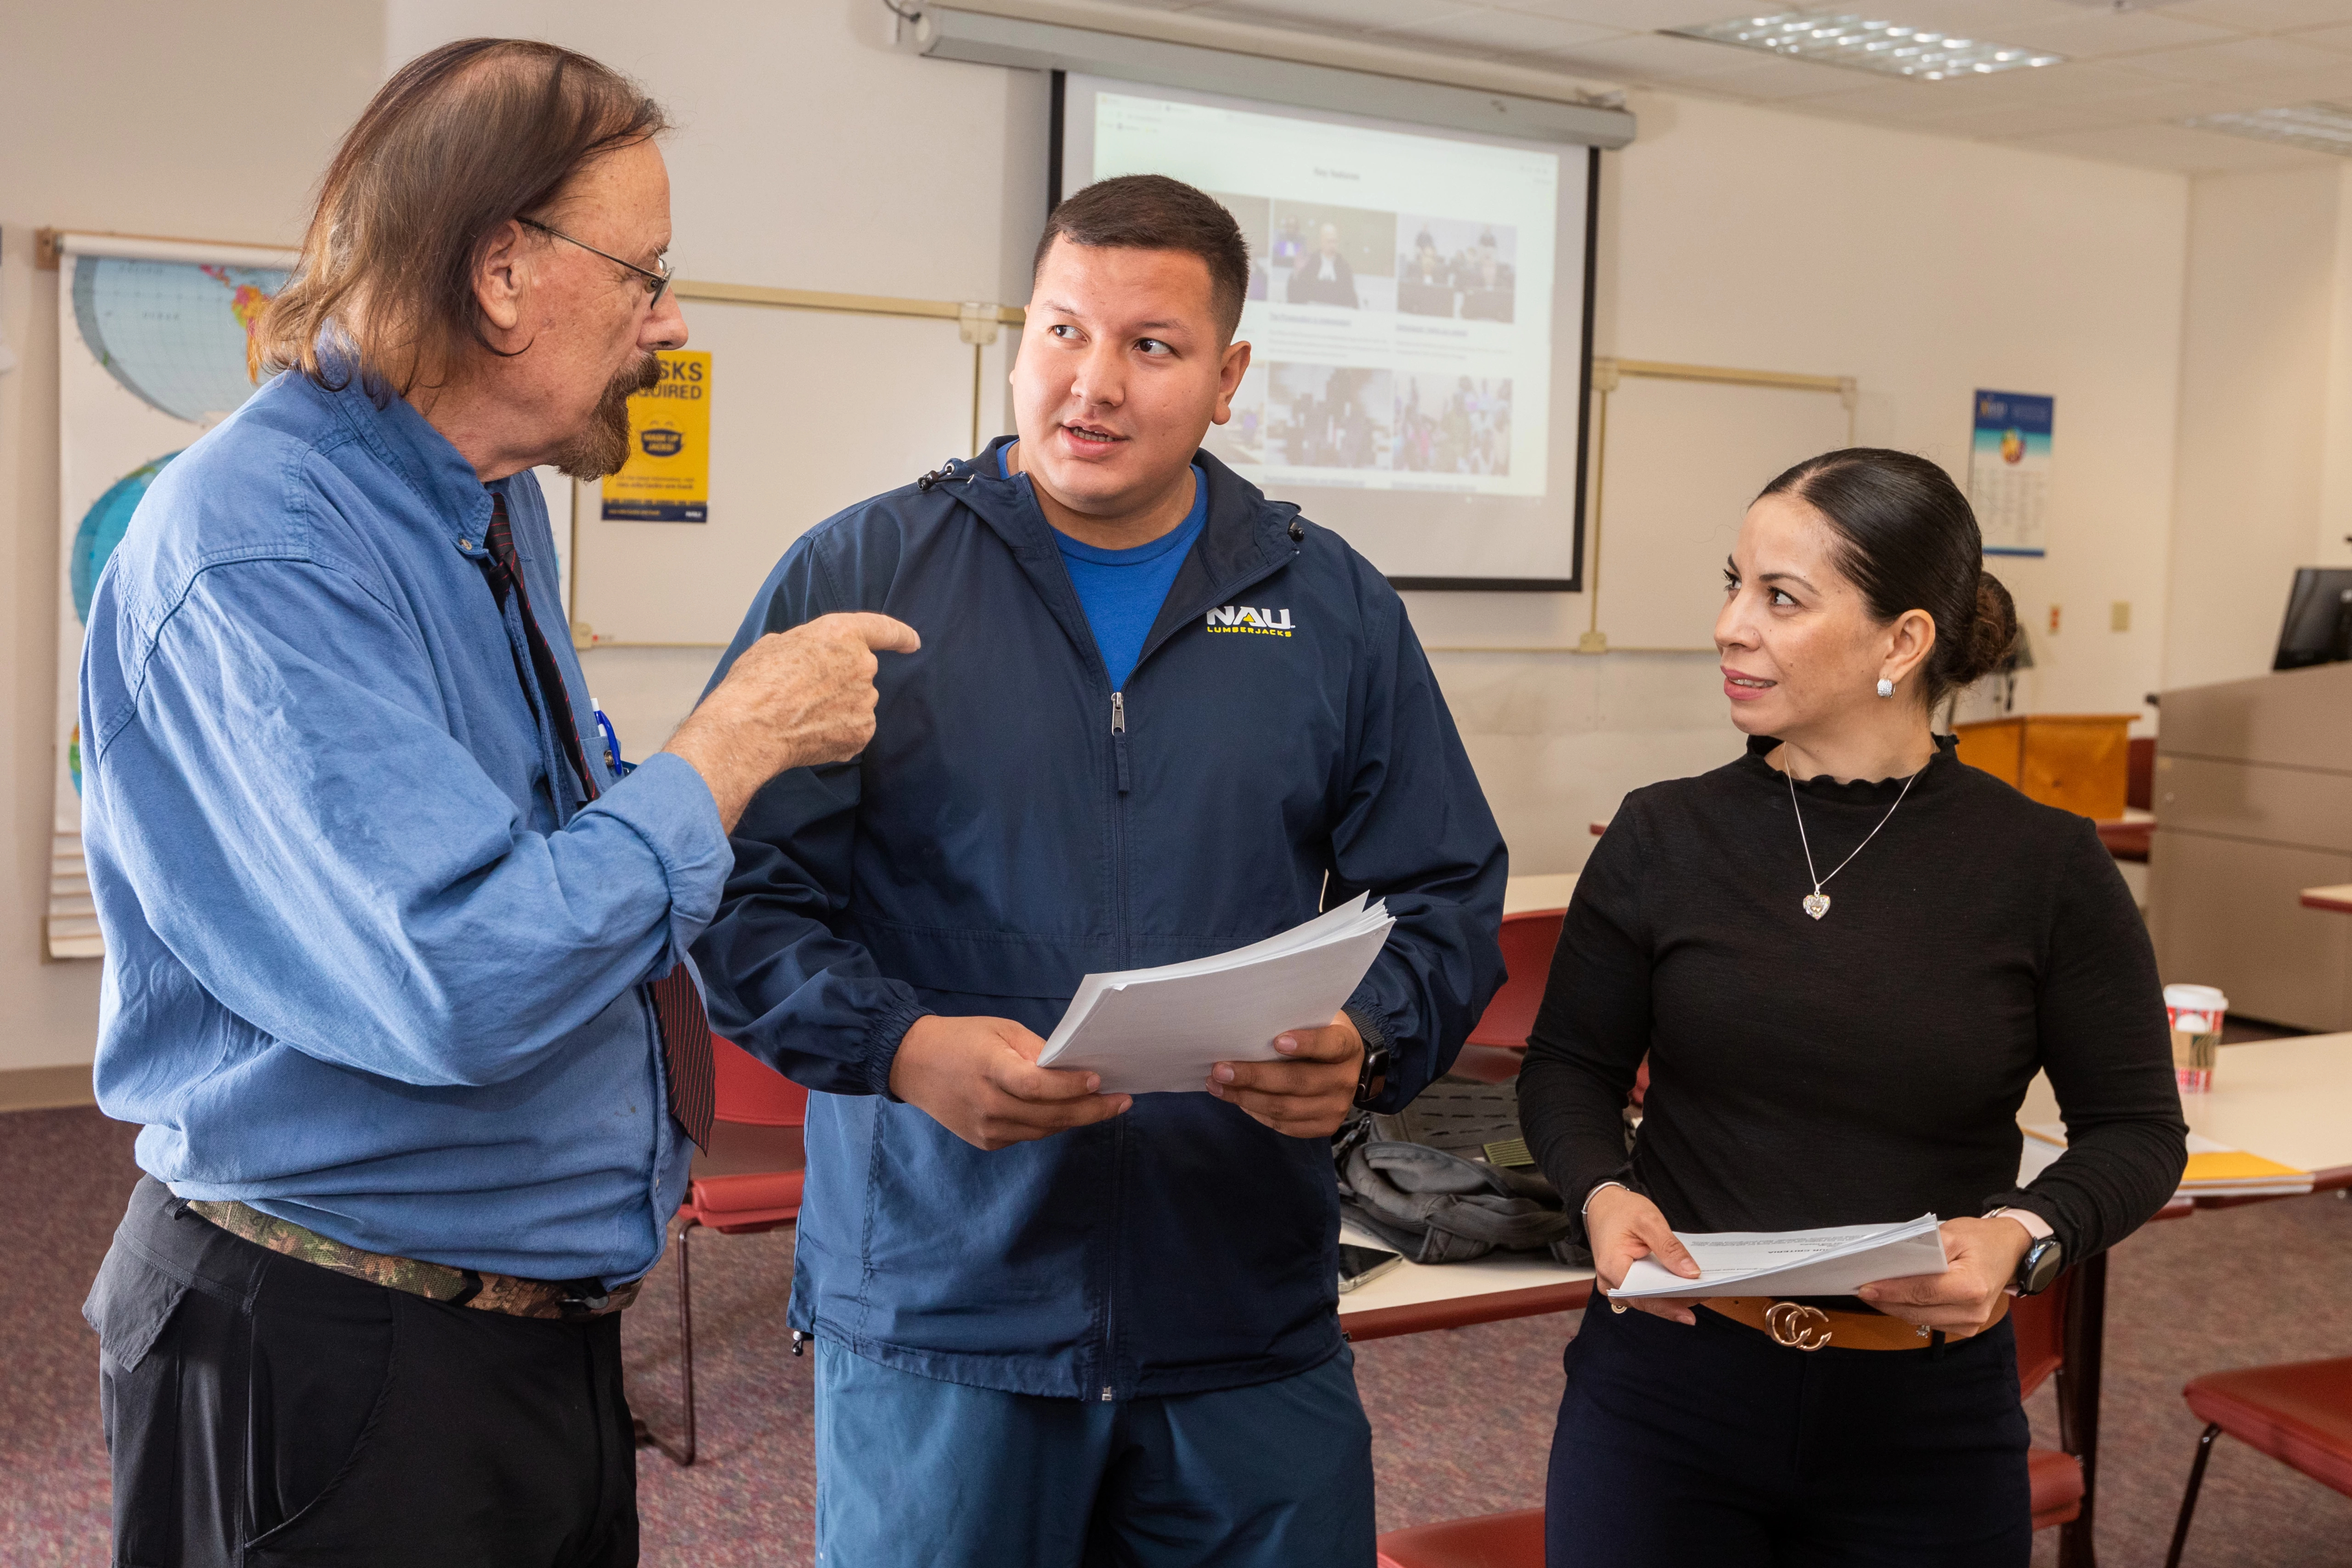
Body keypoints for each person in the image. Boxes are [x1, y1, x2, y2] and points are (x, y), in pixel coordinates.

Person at [77, 40, 916, 1568]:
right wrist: (724, 753)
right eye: (647, 273)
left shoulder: (481, 498)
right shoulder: (261, 545)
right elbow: (464, 975)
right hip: (340, 1350)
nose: (670, 323)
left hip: (512, 1336)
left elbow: (534, 867)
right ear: (504, 273)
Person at [695, 173, 1507, 1566]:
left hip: (1238, 1305)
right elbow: (735, 890)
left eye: (1150, 346)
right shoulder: (863, 573)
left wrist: (1365, 1043)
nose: (1093, 384)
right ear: (1017, 339)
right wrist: (901, 1048)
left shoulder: (1332, 606)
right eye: (1062, 332)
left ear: (1227, 376)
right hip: (945, 1304)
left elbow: (1441, 891)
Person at [1517, 448, 2187, 1567]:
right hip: (1670, 1393)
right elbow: (1566, 1070)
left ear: (1901, 641)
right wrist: (1598, 1189)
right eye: (1731, 584)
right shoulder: (1659, 835)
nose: (1731, 625)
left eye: (1779, 598)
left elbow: (2135, 1131)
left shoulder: (2044, 865)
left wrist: (2019, 1235)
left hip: (1925, 1417)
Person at [1287, 220, 1360, 308]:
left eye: (1335, 242)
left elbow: (1351, 298)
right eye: (1329, 242)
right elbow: (1296, 296)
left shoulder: (1344, 267)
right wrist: (1297, 273)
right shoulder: (1310, 263)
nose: (1333, 246)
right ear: (1322, 242)